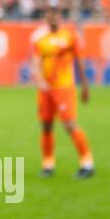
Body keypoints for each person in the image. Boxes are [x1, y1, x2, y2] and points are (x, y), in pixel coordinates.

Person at [32, 11, 94, 178]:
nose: (52, 18)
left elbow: (80, 62)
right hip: (46, 89)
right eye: (49, 16)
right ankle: (48, 164)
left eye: (55, 15)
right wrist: (39, 81)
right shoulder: (40, 40)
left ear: (59, 18)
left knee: (69, 124)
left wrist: (85, 86)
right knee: (46, 126)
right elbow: (36, 63)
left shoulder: (69, 37)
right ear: (46, 19)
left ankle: (87, 163)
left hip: (64, 87)